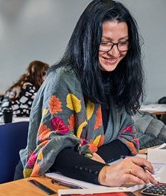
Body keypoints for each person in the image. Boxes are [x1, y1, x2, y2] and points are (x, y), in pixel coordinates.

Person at [16, 0, 157, 187]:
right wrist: (103, 172)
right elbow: (54, 150)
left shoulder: (117, 77)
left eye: (123, 43)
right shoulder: (63, 79)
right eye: (105, 43)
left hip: (87, 172)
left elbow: (128, 136)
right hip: (44, 180)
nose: (115, 52)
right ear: (87, 41)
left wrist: (97, 160)